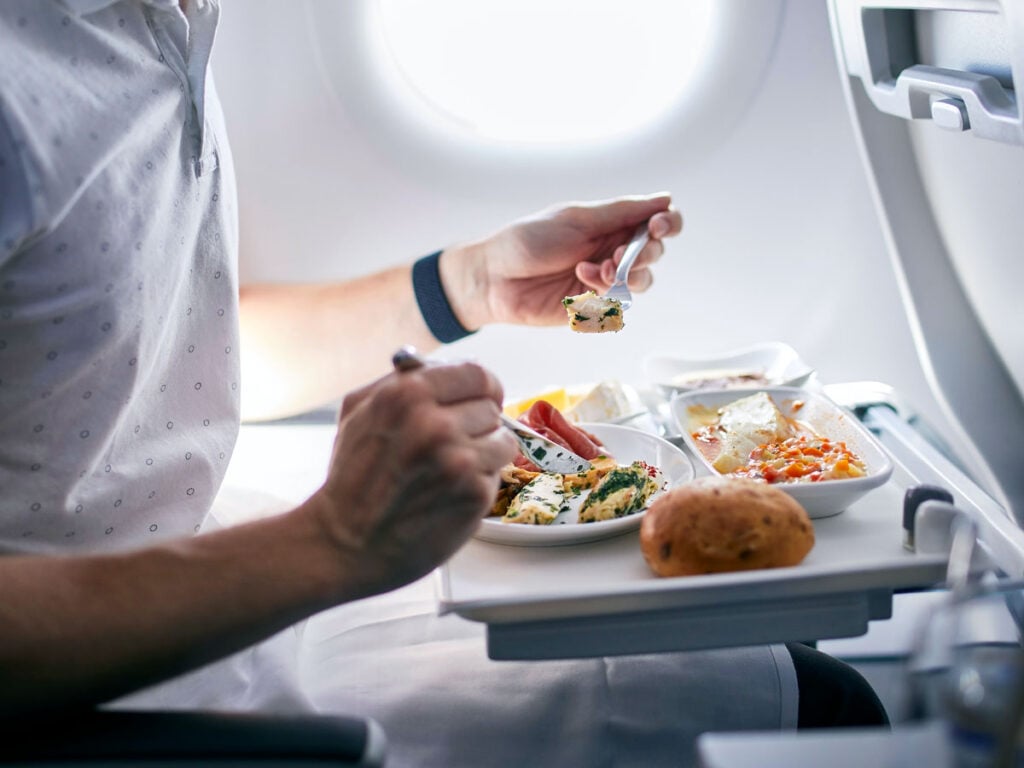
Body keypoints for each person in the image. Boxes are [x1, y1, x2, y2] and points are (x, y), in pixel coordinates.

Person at [0, 0, 885, 763]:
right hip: (123, 692)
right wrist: (330, 542)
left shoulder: (160, 27)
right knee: (825, 704)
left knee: (763, 633)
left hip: (235, 578)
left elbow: (162, 354)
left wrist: (467, 283)